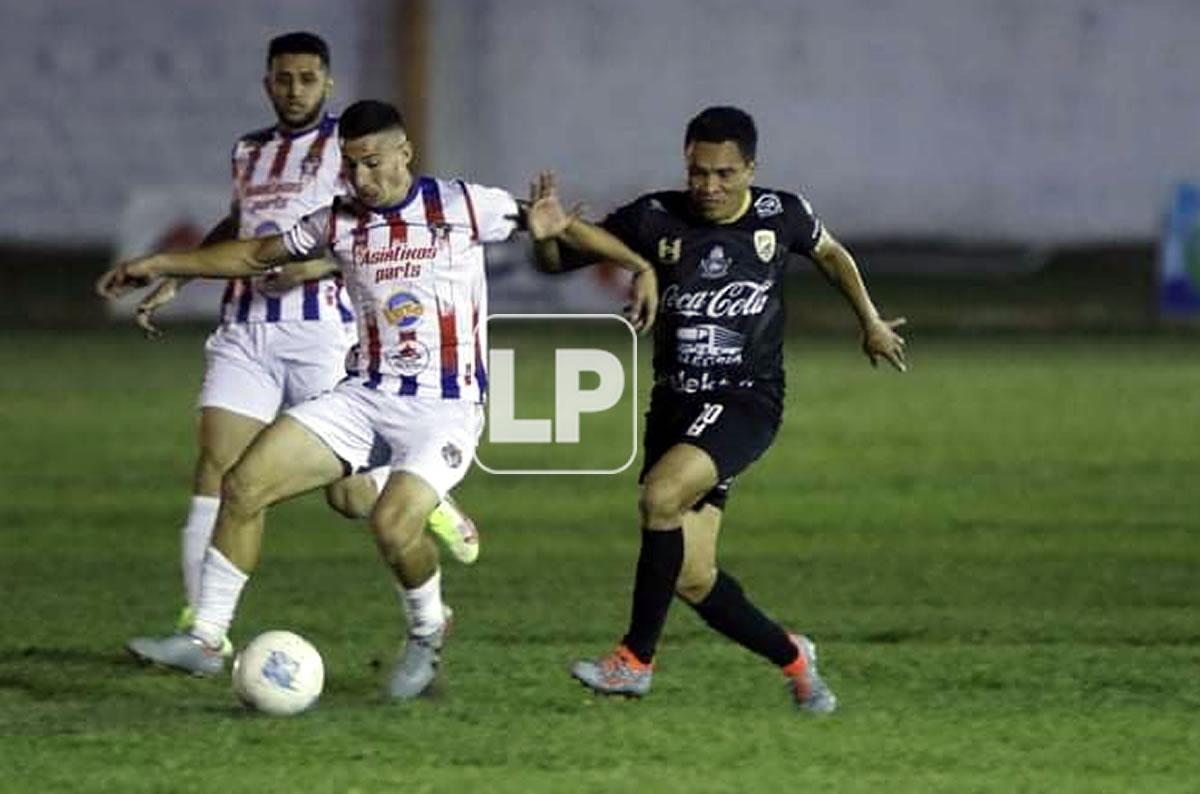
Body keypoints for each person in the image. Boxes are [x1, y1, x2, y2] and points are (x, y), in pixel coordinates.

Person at [97, 100, 658, 698]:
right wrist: (158, 262)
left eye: (371, 163)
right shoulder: (336, 221)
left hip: (446, 407)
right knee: (243, 485)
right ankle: (207, 639)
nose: (361, 178)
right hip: (363, 396)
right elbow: (256, 253)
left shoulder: (463, 204)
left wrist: (636, 265)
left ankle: (426, 631)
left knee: (392, 527)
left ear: (403, 153)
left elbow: (558, 232)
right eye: (350, 165)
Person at [534, 106, 907, 713]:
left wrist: (868, 322)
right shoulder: (654, 216)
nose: (709, 186)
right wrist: (547, 233)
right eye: (699, 172)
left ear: (751, 169)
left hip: (744, 400)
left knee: (660, 497)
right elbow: (556, 262)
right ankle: (794, 658)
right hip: (675, 405)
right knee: (691, 575)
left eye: (725, 174)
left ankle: (634, 660)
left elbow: (833, 254)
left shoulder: (781, 214)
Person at [128, 33, 479, 658]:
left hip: (324, 331)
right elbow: (241, 229)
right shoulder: (249, 150)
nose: (295, 90)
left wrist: (319, 270)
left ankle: (428, 498)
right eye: (284, 78)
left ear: (329, 83)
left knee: (348, 497)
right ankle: (202, 631)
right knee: (221, 471)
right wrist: (177, 274)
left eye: (308, 78)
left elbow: (369, 233)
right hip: (248, 326)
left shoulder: (351, 146)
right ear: (267, 82)